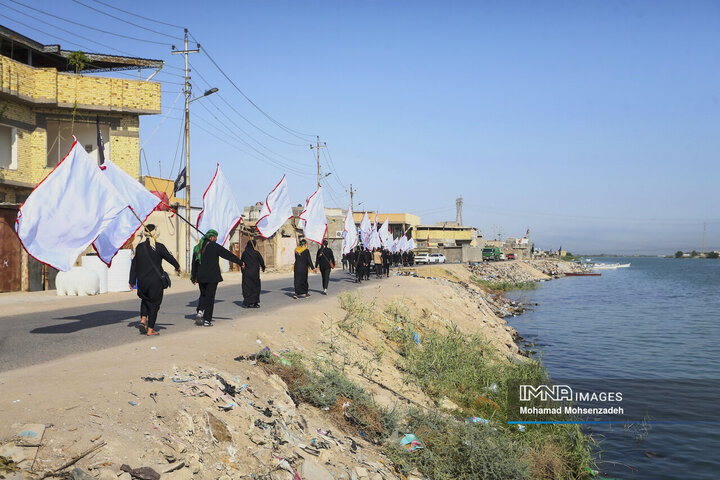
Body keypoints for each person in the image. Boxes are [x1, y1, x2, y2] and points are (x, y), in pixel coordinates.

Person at [129, 224, 180, 336]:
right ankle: (150, 329)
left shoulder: (139, 247)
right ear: (155, 233)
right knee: (154, 304)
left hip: (142, 281)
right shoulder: (159, 246)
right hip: (155, 282)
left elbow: (134, 265)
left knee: (144, 299)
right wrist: (177, 266)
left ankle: (143, 319)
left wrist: (131, 281)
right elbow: (169, 257)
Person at [191, 229, 243, 326]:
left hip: (201, 276)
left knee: (203, 294)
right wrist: (240, 262)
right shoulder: (214, 246)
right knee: (210, 298)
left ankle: (200, 312)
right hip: (212, 277)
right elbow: (227, 254)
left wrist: (193, 277)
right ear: (211, 237)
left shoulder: (197, 248)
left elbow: (194, 264)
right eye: (215, 237)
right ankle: (207, 320)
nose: (216, 239)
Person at [240, 239, 265, 308]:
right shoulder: (256, 253)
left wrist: (243, 271)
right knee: (255, 287)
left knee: (247, 287)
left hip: (246, 273)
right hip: (255, 274)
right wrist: (263, 268)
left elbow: (241, 263)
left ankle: (247, 302)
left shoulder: (244, 253)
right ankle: (255, 303)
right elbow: (261, 261)